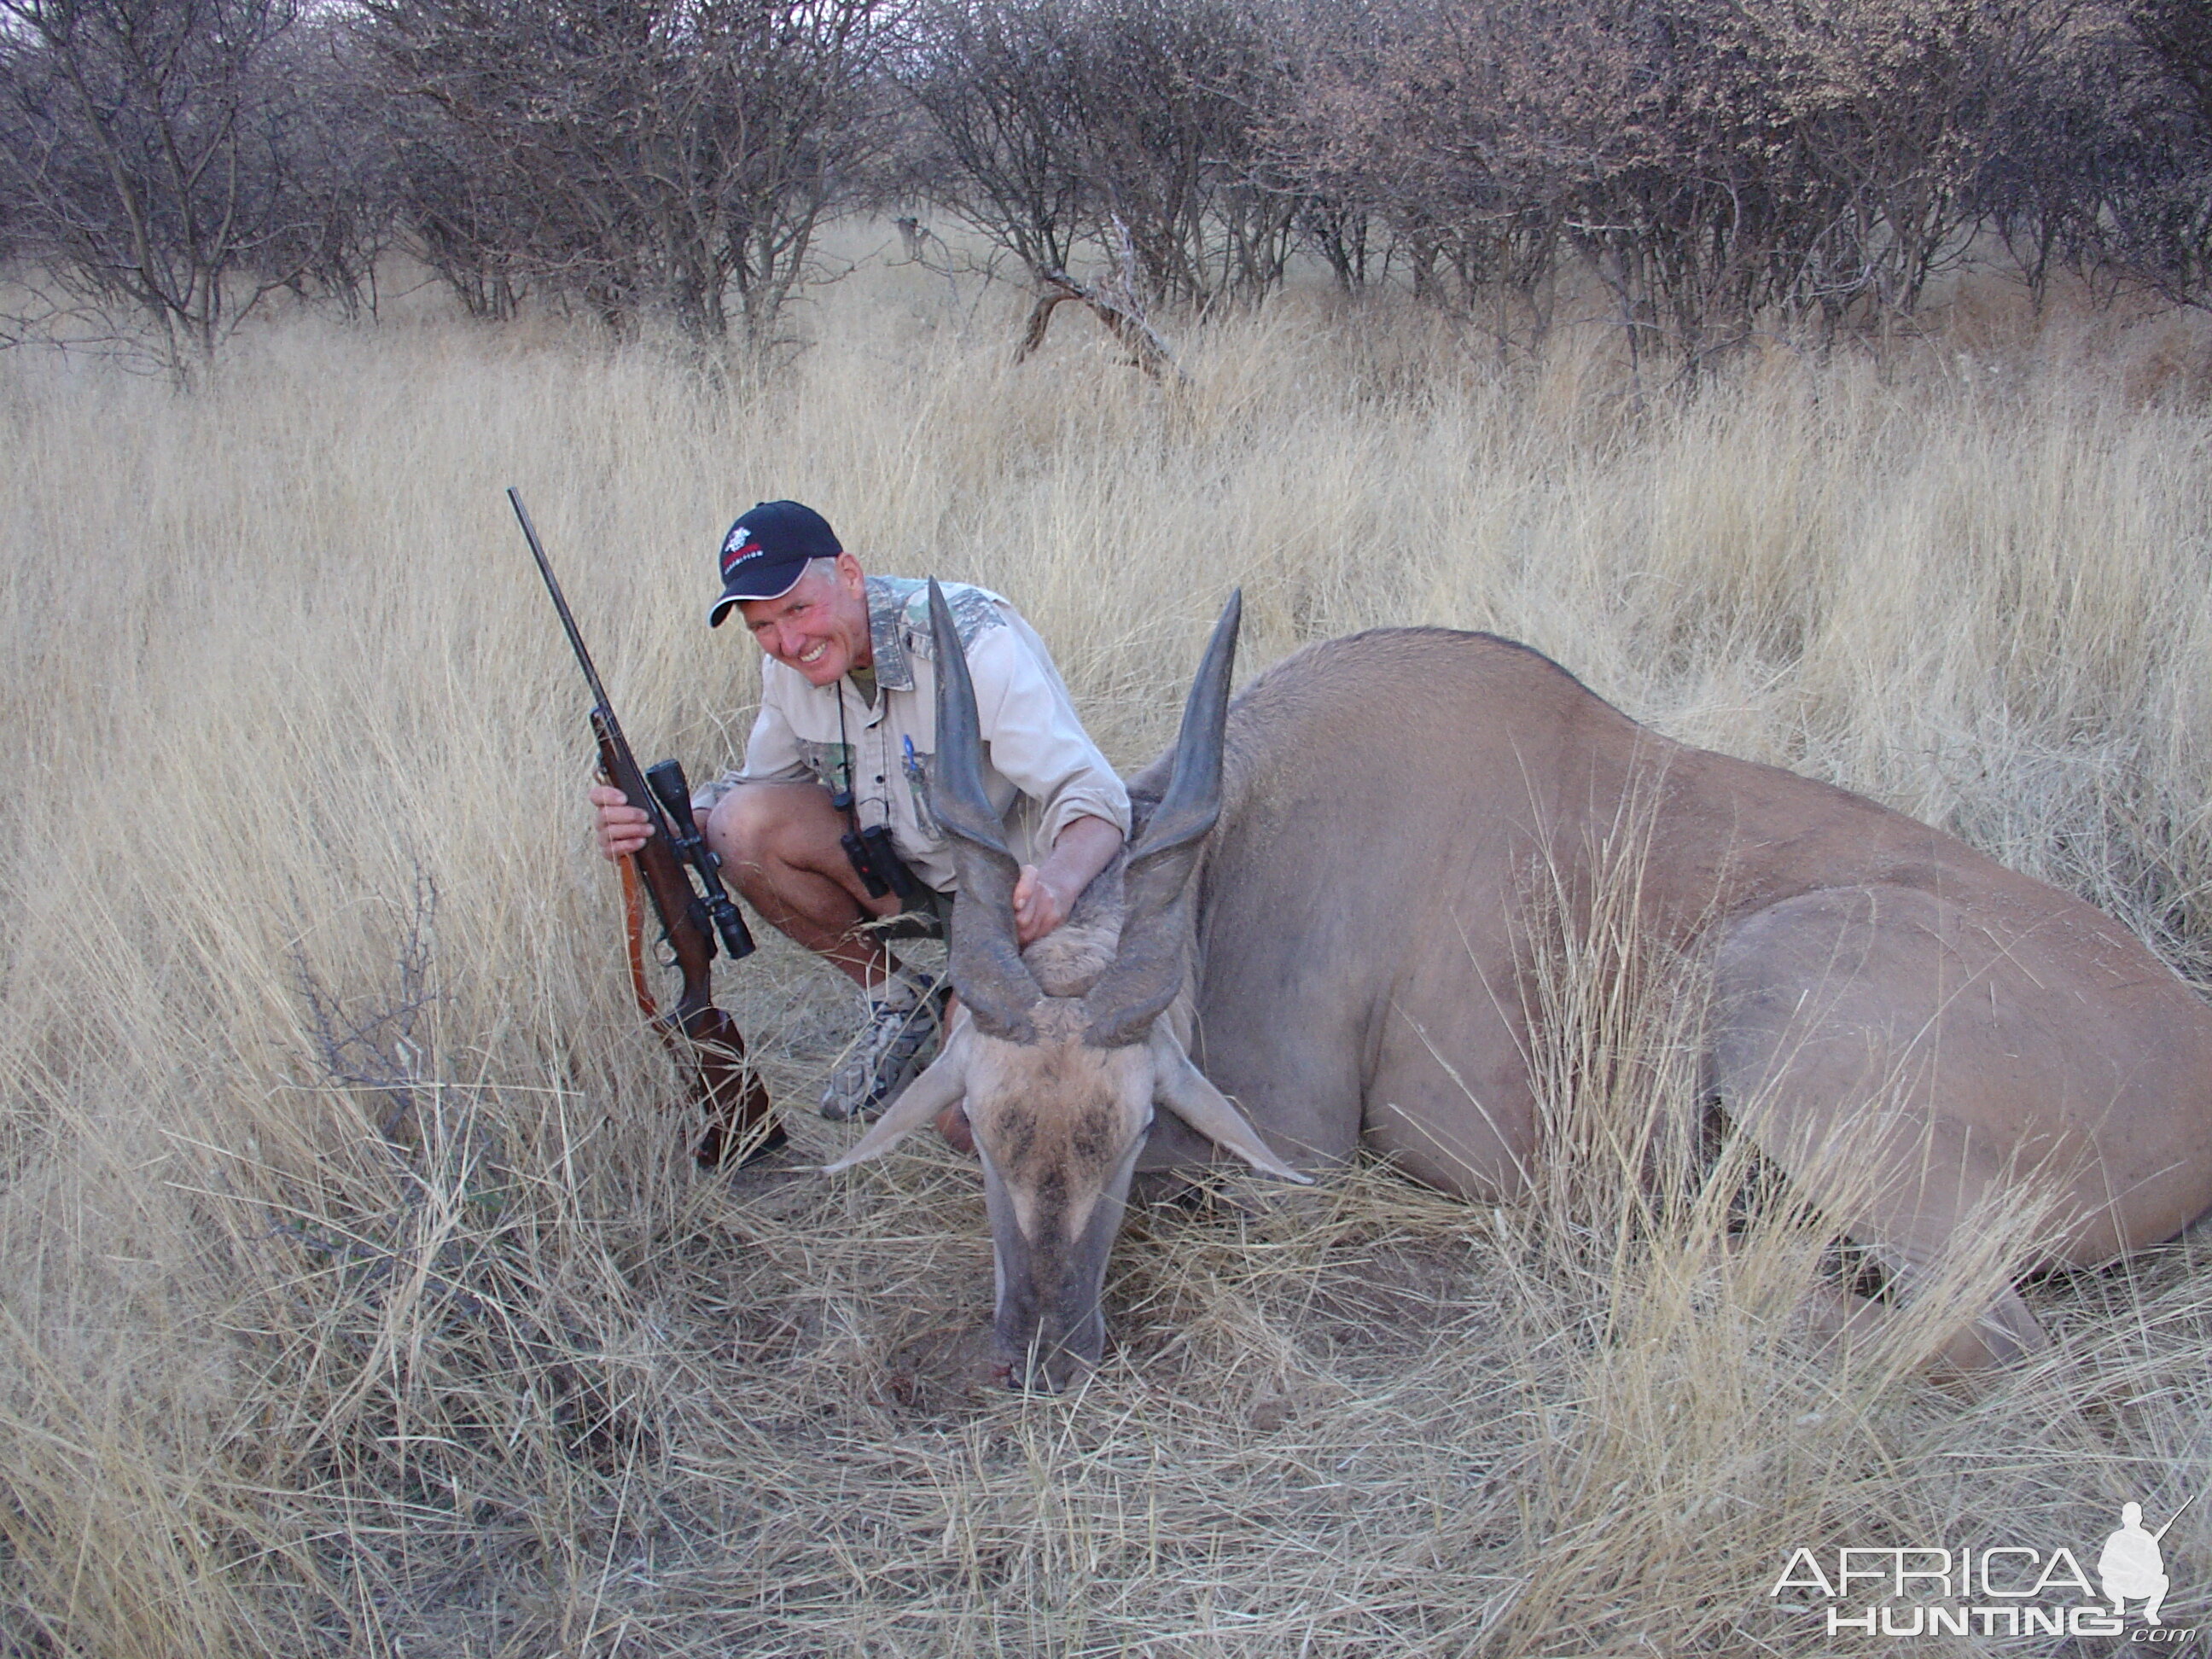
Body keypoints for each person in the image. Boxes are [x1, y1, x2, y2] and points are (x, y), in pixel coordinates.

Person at [591, 500, 1128, 1128]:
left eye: (798, 608)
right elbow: (756, 791)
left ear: (850, 575)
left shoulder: (974, 636)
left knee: (964, 1120)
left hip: (1014, 906)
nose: (788, 643)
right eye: (762, 626)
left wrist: (1057, 889)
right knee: (738, 823)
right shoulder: (789, 666)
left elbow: (1096, 797)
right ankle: (899, 1001)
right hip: (908, 880)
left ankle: (964, 1008)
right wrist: (656, 830)